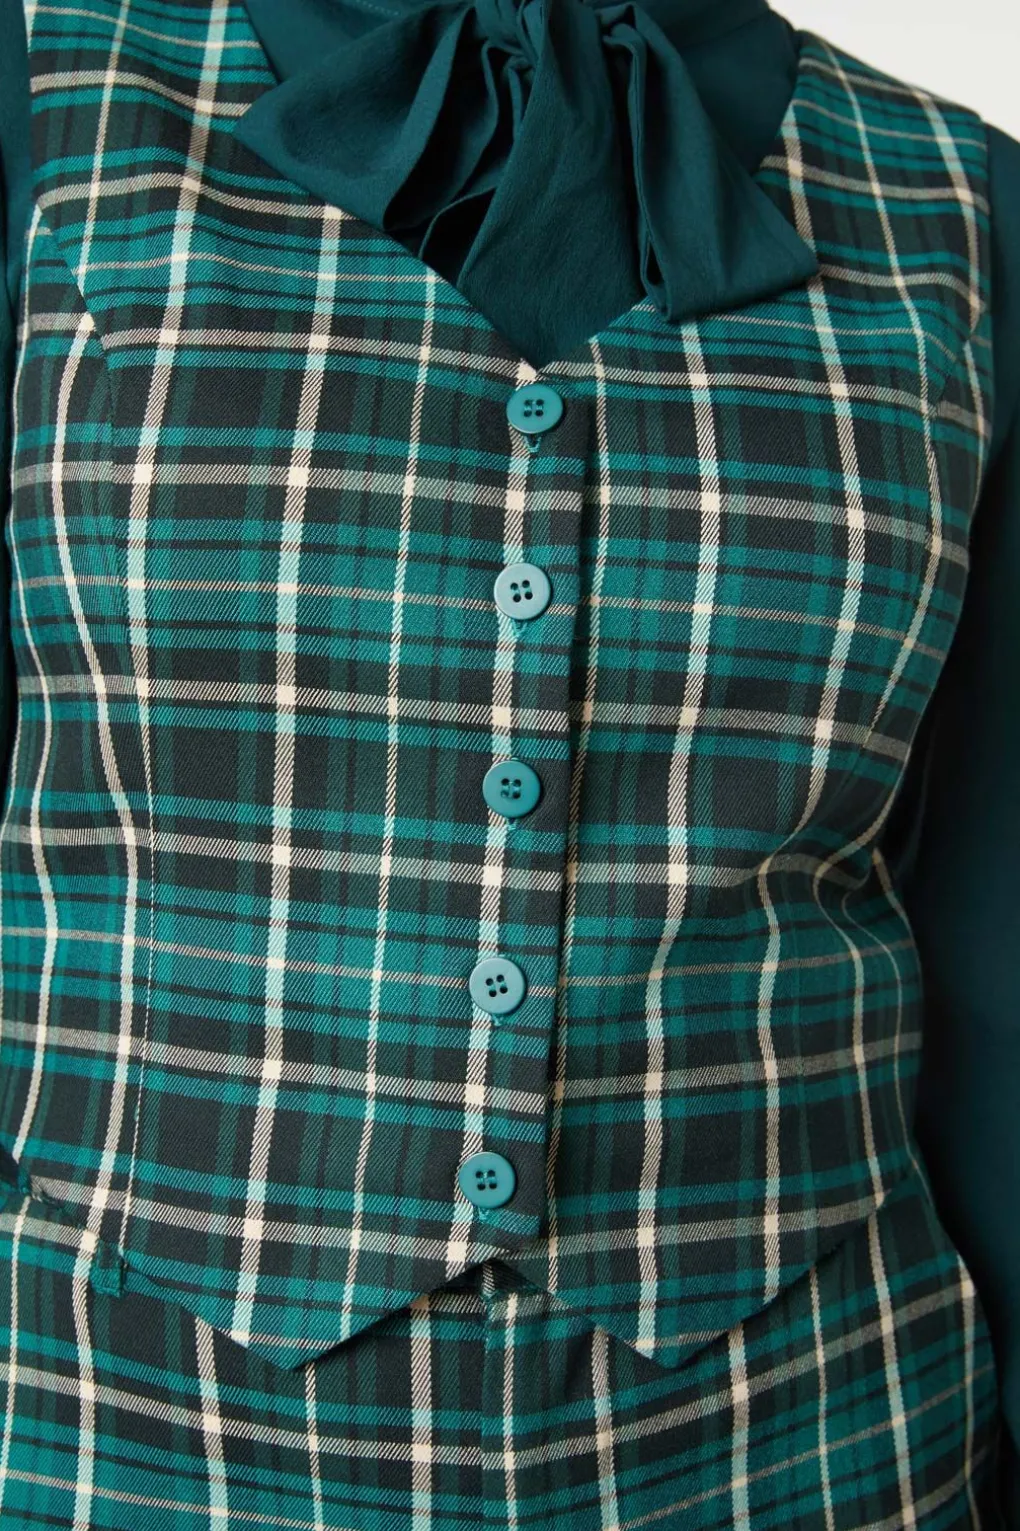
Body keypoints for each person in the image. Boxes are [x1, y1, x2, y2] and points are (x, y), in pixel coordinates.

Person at [0, 0, 1016, 1526]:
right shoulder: (47, 105)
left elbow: (998, 944)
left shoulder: (960, 209)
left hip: (814, 1447)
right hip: (125, 1433)